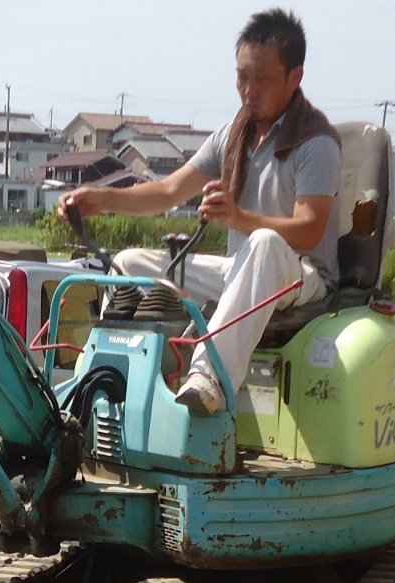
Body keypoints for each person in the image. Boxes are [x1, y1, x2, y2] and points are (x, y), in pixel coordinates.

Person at [61, 8, 339, 417]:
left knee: (263, 243)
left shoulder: (316, 143)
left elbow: (309, 231)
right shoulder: (233, 135)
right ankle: (105, 372)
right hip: (244, 270)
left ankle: (210, 379)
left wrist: (240, 219)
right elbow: (169, 191)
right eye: (242, 77)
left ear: (294, 78)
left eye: (261, 79)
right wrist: (103, 199)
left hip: (300, 275)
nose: (248, 90)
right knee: (129, 262)